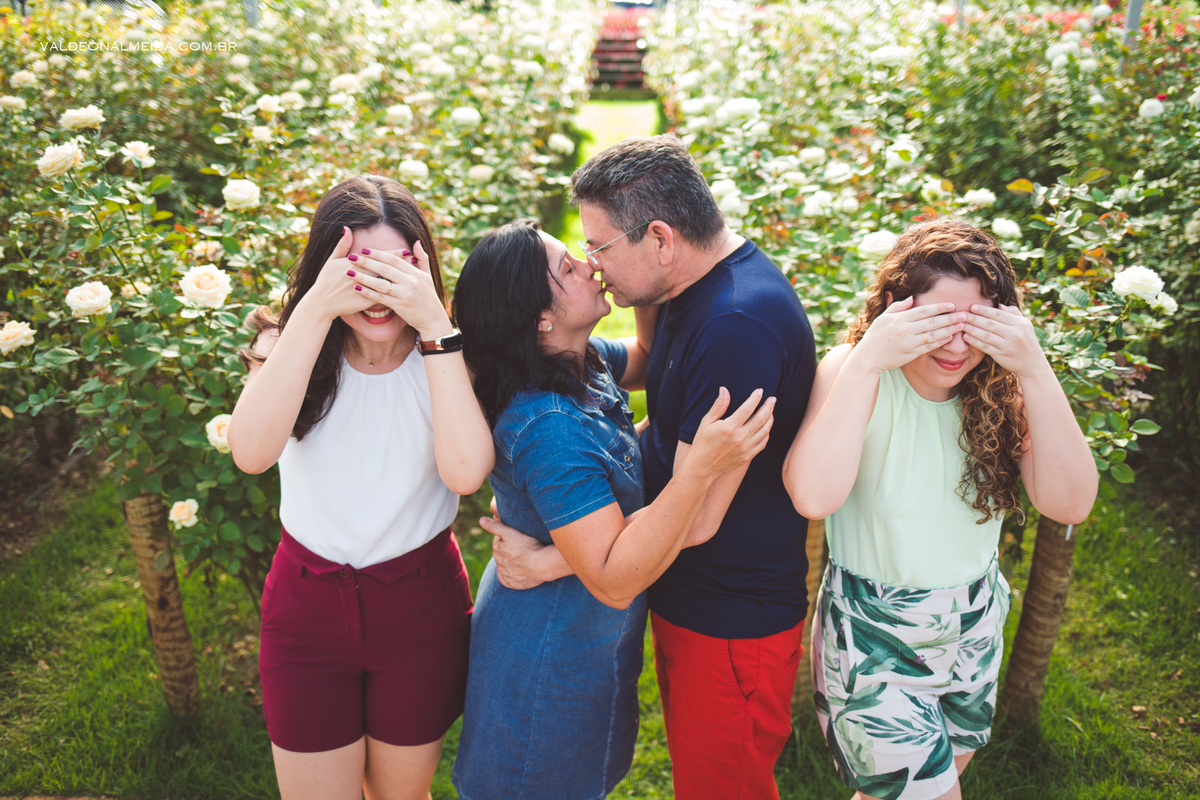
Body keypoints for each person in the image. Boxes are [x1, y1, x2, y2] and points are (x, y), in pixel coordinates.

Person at [484, 135, 818, 799]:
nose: (591, 263)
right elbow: (655, 398)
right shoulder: (687, 288)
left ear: (661, 238)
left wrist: (552, 560)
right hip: (688, 594)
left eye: (599, 246)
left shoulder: (735, 327)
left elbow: (697, 518)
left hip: (729, 617)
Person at [448, 218, 775, 800]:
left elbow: (644, 358)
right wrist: (699, 467)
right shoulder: (549, 427)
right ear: (540, 317)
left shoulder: (581, 361)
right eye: (568, 266)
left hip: (583, 640)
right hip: (547, 653)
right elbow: (613, 577)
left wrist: (644, 274)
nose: (589, 263)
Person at [783, 218, 1098, 800]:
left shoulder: (1004, 388)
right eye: (938, 323)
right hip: (875, 642)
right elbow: (812, 496)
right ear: (894, 309)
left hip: (975, 626)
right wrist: (869, 360)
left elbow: (1071, 502)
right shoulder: (854, 370)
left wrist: (1034, 366)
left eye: (975, 325)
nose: (956, 347)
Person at [227, 176, 494, 800]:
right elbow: (251, 454)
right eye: (356, 270)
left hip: (420, 610)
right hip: (306, 610)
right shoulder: (289, 343)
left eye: (394, 272)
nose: (376, 295)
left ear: (422, 270)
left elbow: (465, 474)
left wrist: (434, 325)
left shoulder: (450, 353)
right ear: (325, 270)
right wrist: (314, 310)